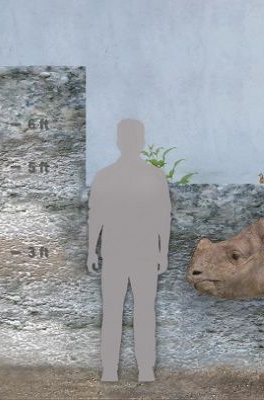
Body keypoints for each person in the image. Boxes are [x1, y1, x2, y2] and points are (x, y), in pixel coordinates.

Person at [87, 119, 171, 382]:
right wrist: (162, 252)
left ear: (119, 141)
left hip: (125, 253)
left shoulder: (107, 176)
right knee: (140, 313)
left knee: (118, 313)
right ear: (140, 142)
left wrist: (163, 252)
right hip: (129, 253)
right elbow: (162, 216)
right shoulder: (152, 176)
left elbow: (162, 216)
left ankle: (120, 370)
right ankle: (131, 370)